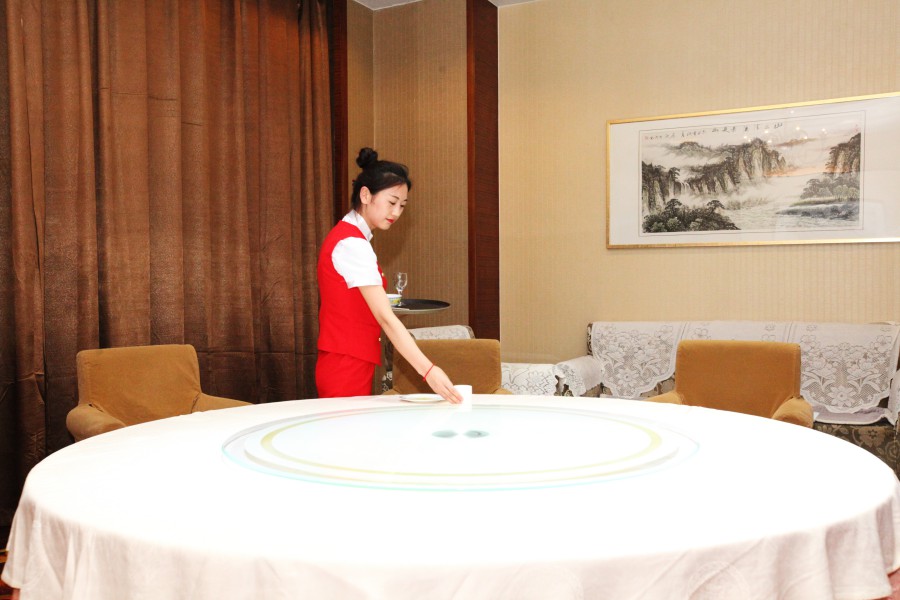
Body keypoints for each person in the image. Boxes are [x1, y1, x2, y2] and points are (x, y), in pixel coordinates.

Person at [316, 147, 463, 403]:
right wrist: (429, 371)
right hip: (345, 364)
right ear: (365, 195)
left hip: (349, 360)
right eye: (392, 202)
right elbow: (385, 318)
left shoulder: (350, 237)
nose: (396, 212)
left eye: (402, 206)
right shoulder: (352, 244)